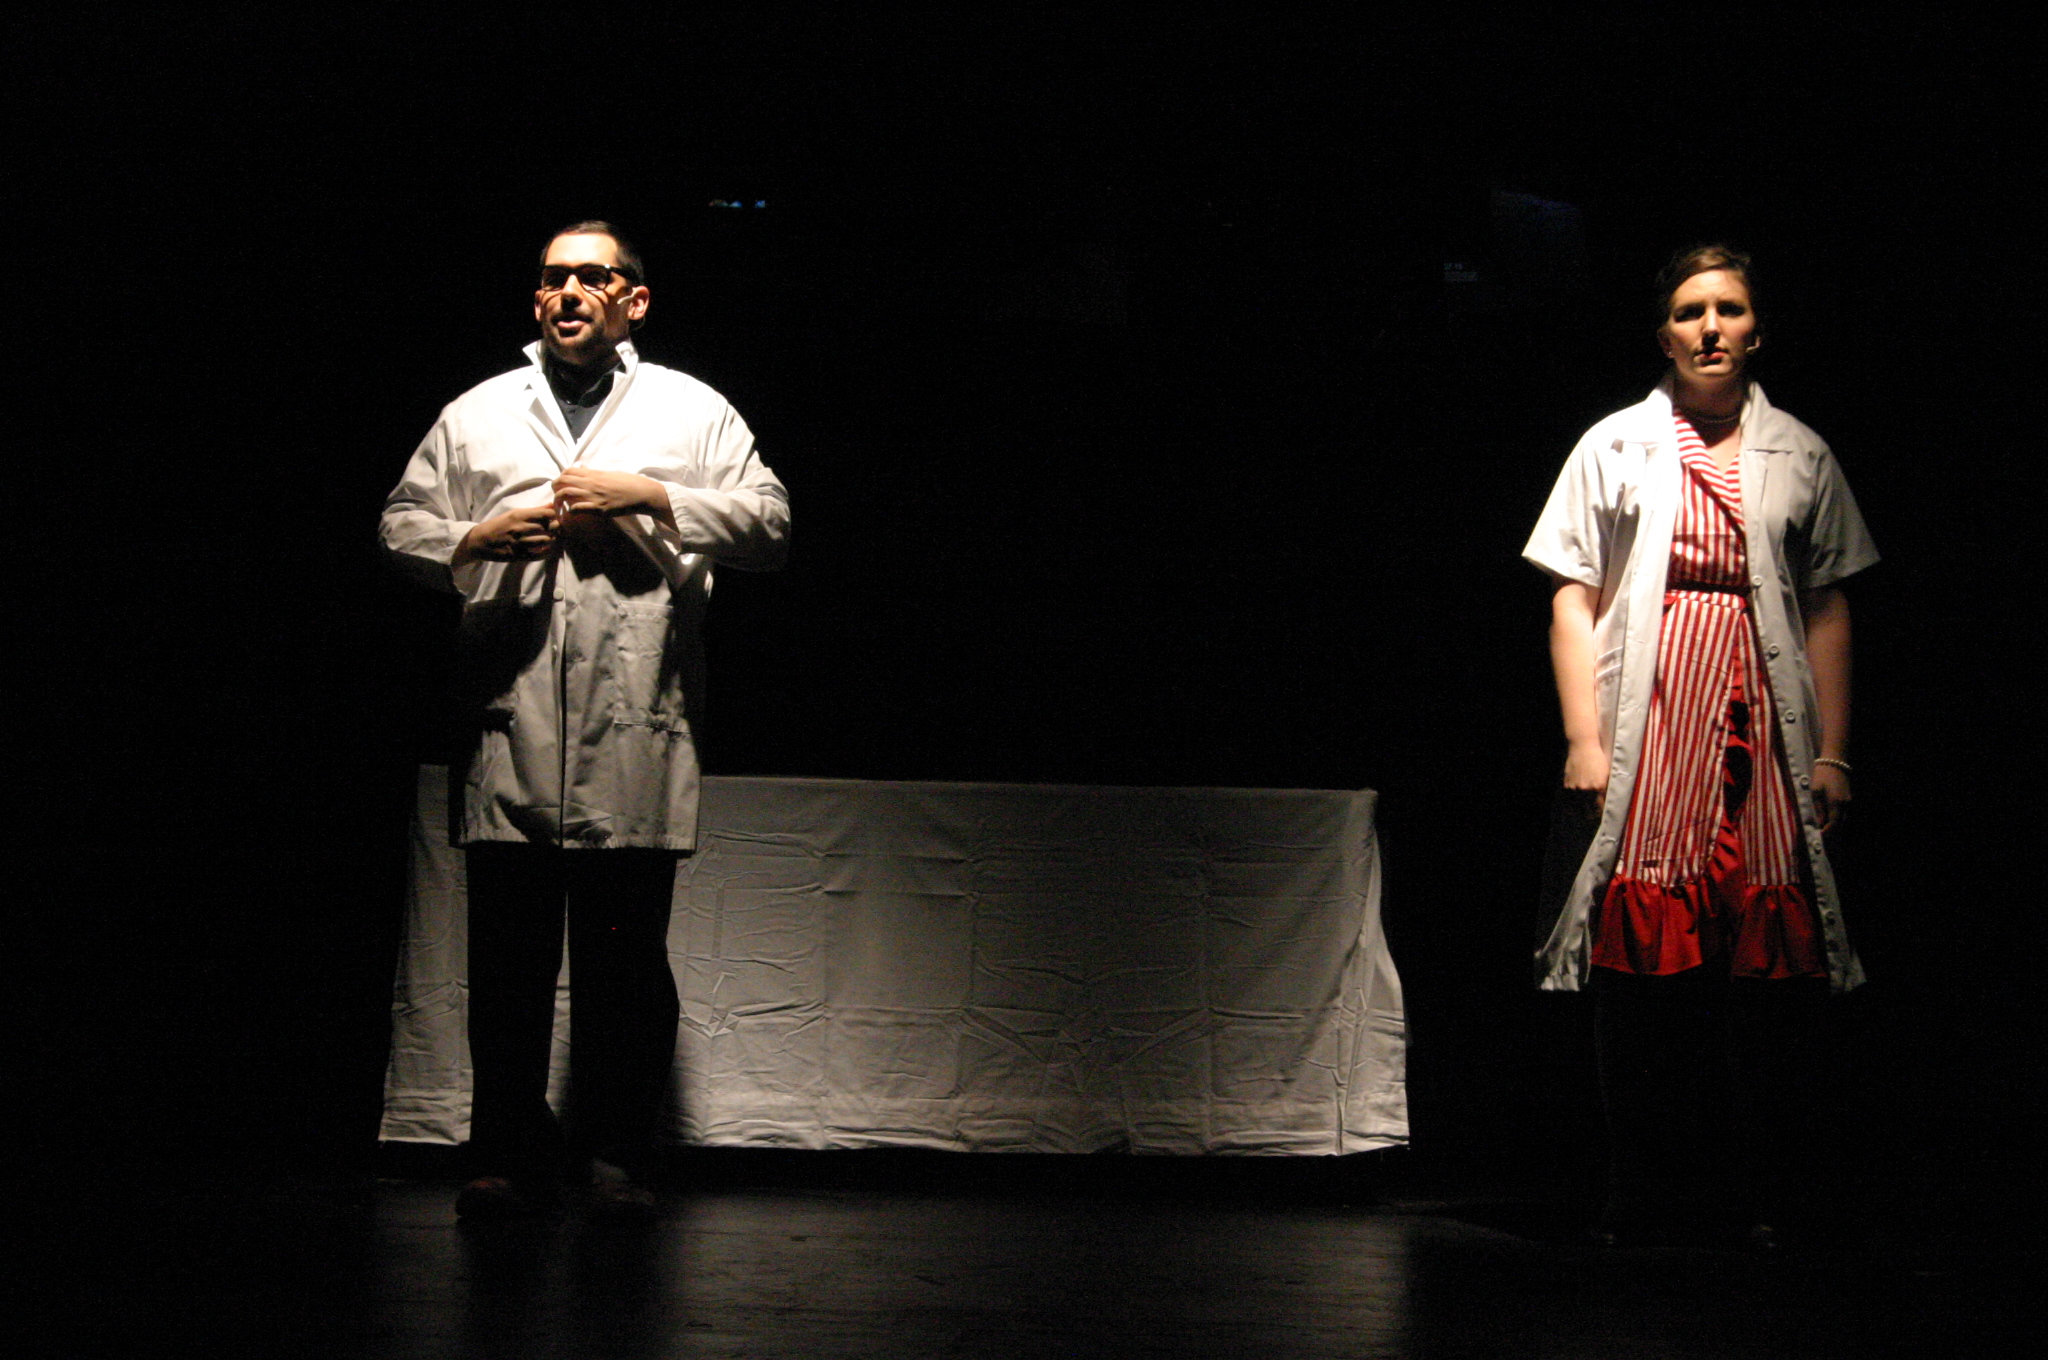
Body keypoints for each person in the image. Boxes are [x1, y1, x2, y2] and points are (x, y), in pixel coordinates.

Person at [380, 221, 790, 1217]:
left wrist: (651, 494)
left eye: (592, 277)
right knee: (507, 967)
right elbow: (399, 524)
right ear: (536, 299)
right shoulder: (479, 411)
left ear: (633, 300)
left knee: (624, 966)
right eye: (553, 278)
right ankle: (504, 1152)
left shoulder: (691, 408)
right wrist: (473, 538)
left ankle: (618, 1153)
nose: (568, 292)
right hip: (510, 728)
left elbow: (770, 525)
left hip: (632, 729)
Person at [1523, 245, 1877, 1244]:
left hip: (1759, 716)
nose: (1709, 327)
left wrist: (1833, 752)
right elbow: (1571, 594)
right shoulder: (1614, 443)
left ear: (1756, 331)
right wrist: (1582, 737)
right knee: (1641, 965)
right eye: (1689, 311)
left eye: (1728, 309)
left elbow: (1825, 604)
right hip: (1652, 716)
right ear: (1663, 334)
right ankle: (1640, 1189)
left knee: (1767, 971)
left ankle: (1764, 1194)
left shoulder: (1799, 451)